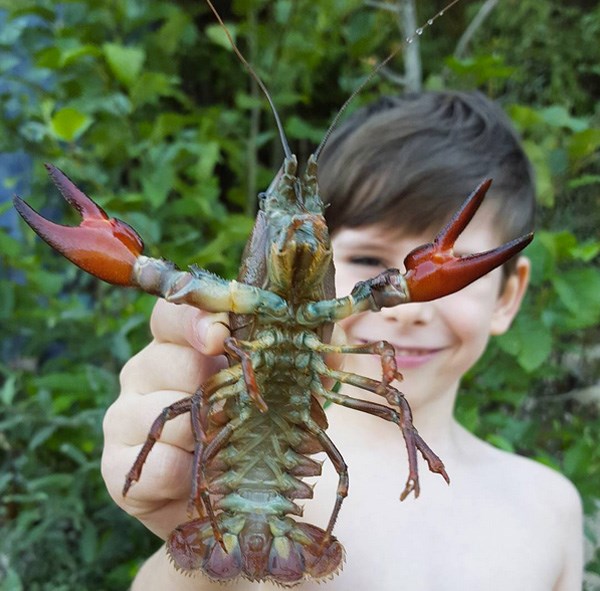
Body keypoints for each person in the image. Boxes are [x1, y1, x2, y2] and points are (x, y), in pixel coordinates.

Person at [101, 91, 583, 590]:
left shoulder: (553, 509)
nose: (411, 316)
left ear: (509, 295)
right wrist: (183, 521)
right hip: (228, 480)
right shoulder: (189, 466)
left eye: (459, 272)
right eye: (371, 261)